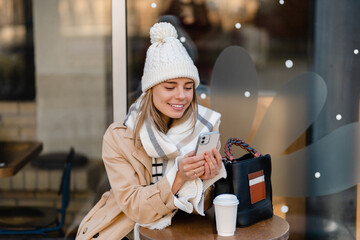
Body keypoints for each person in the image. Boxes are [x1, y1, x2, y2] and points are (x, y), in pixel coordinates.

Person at [76, 22, 226, 240]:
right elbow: (136, 208)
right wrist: (178, 178)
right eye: (169, 86)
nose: (181, 96)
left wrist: (208, 181)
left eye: (188, 86)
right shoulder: (119, 138)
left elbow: (198, 208)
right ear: (151, 89)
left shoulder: (205, 127)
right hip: (125, 232)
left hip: (182, 233)